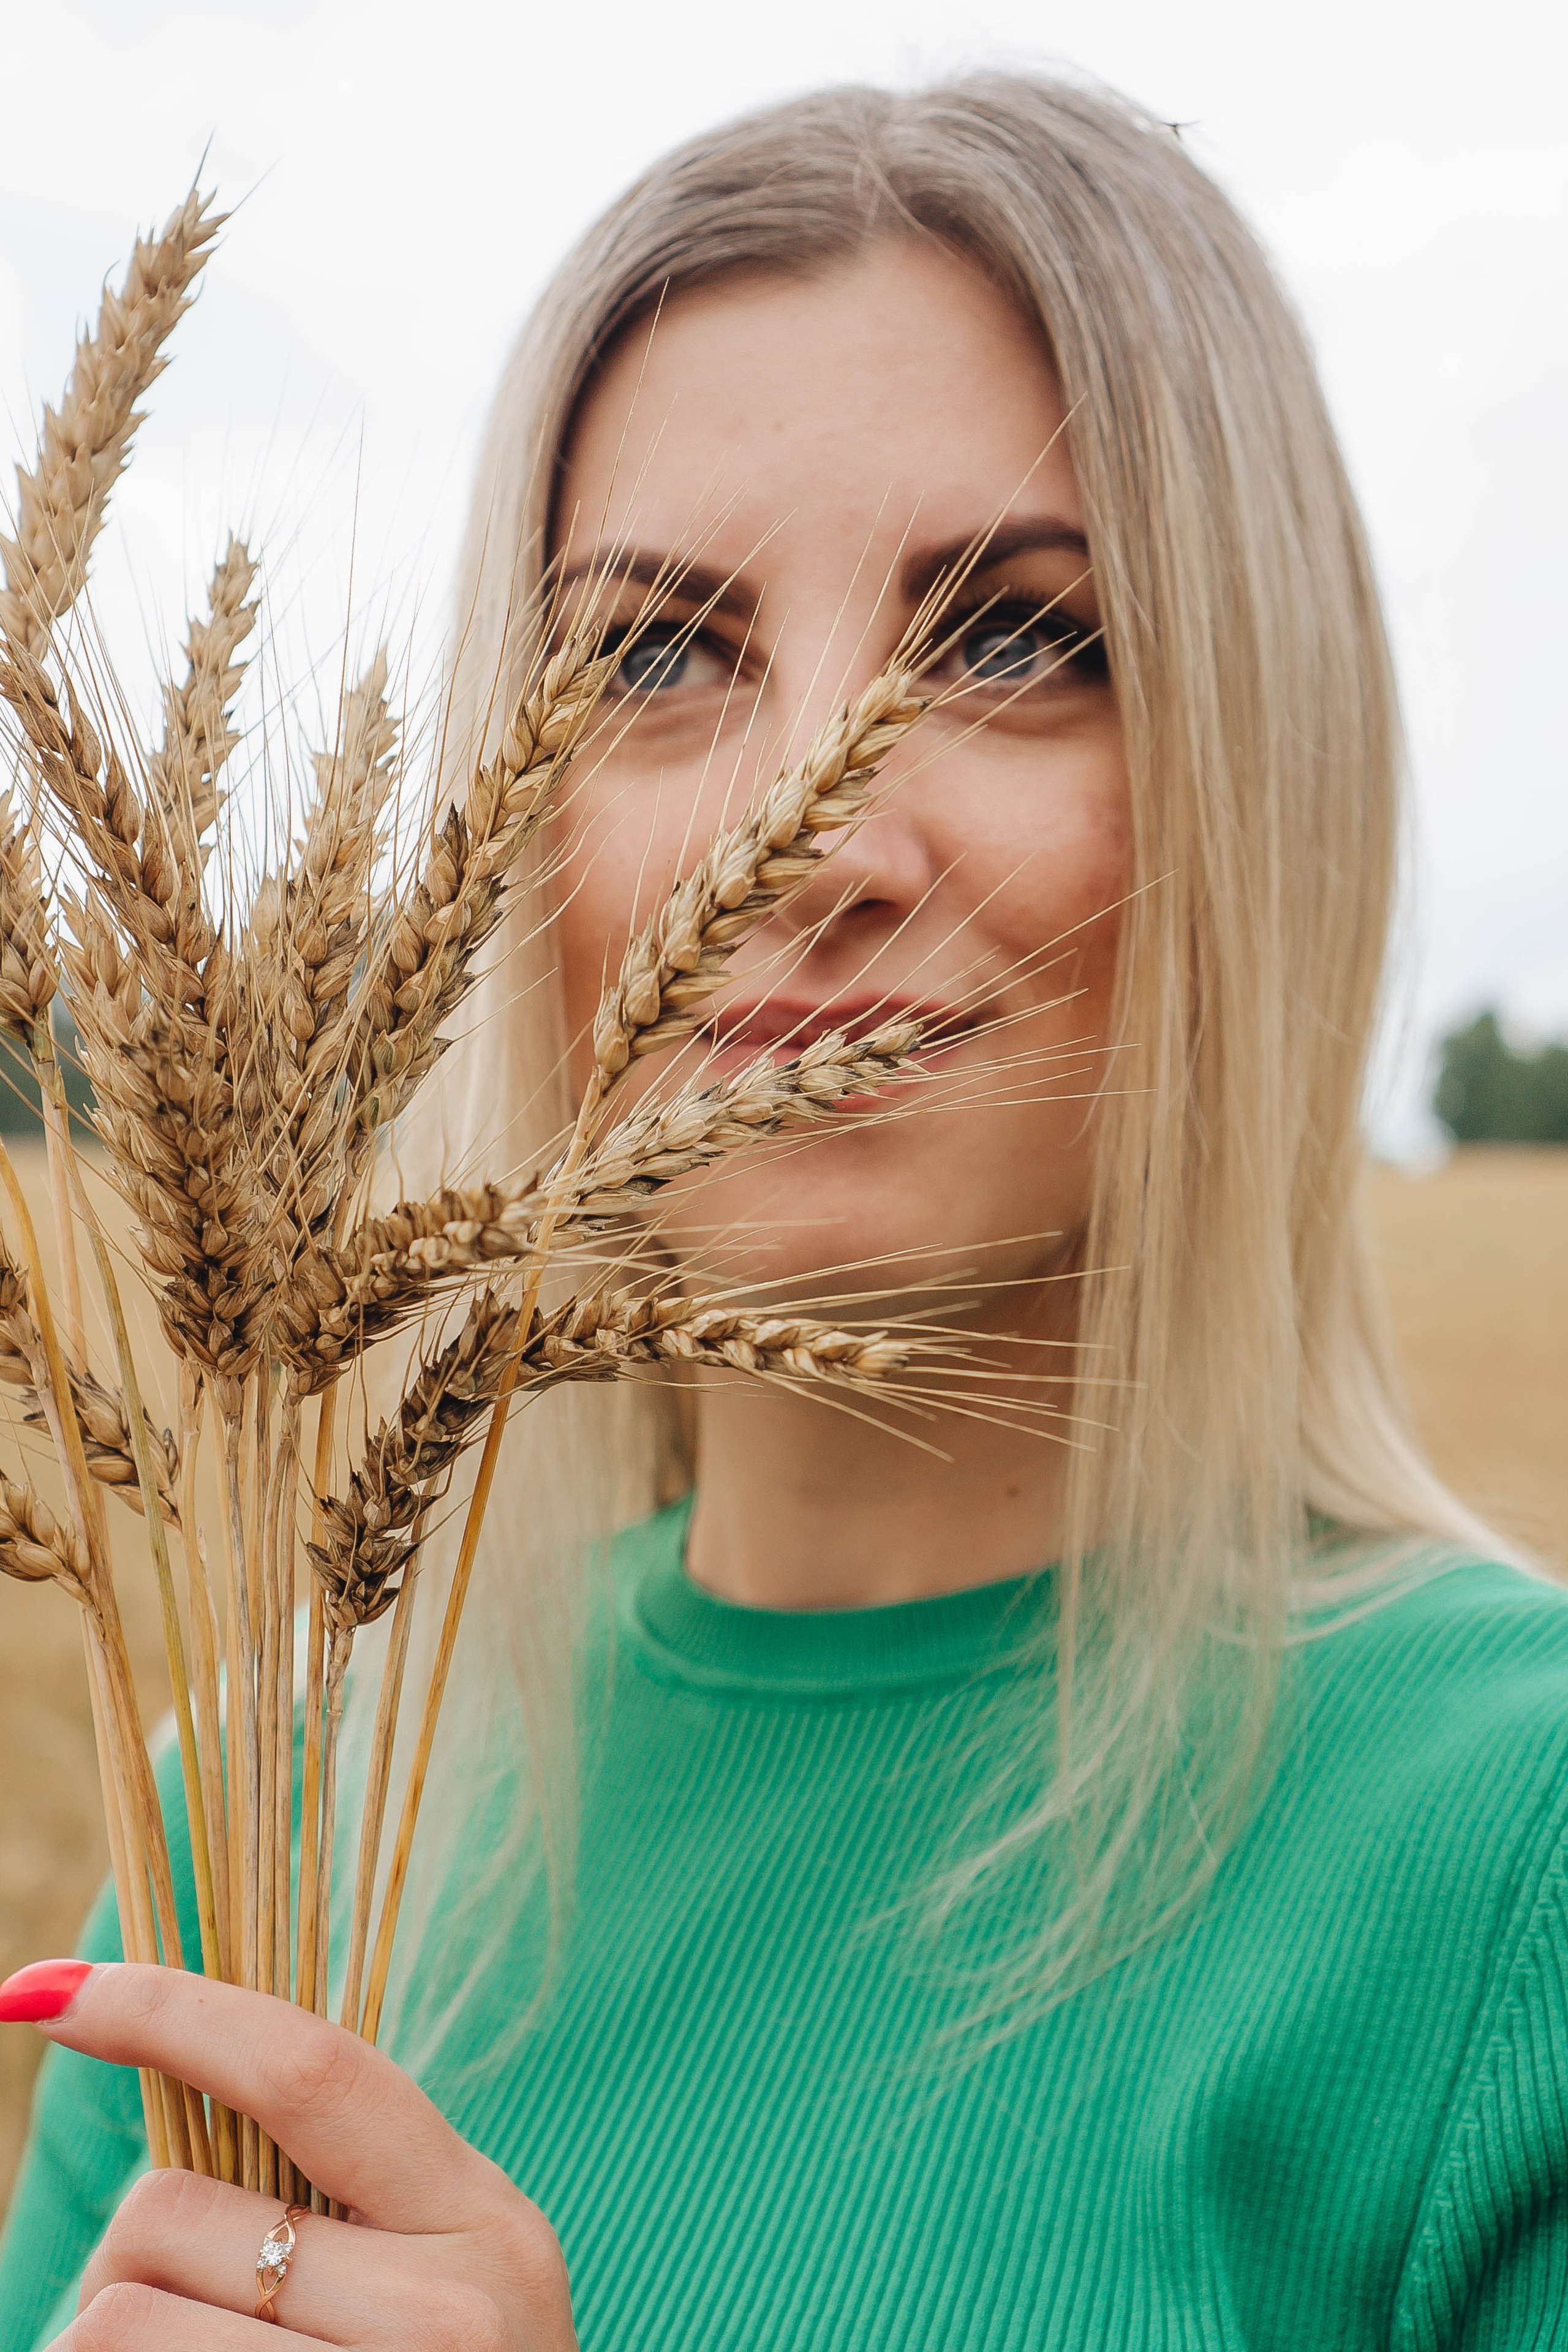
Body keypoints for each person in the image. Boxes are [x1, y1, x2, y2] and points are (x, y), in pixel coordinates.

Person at [2, 71, 1567, 2352]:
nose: (806, 838)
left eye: (1016, 640)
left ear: (1257, 771)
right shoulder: (256, 1824)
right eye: (655, 658)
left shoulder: (1520, 1863)